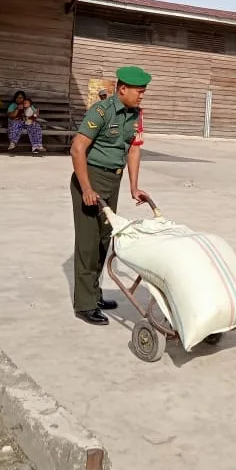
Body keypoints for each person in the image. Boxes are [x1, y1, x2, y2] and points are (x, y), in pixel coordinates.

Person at [70, 66, 152, 325]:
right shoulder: (101, 111)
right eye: (139, 92)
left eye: (144, 92)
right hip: (90, 178)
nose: (142, 96)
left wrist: (133, 186)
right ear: (123, 89)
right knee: (87, 243)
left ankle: (94, 294)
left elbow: (134, 150)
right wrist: (86, 189)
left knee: (105, 239)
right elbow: (77, 149)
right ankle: (84, 304)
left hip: (112, 180)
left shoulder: (136, 115)